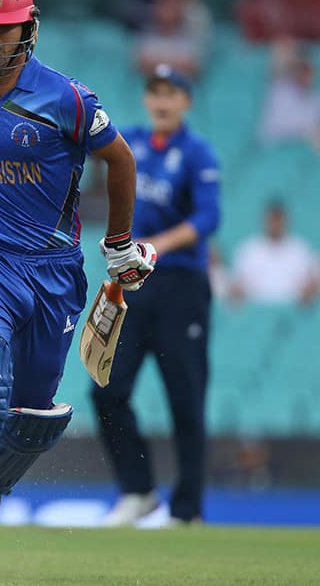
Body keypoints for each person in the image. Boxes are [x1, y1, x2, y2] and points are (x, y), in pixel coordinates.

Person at [0, 0, 156, 574]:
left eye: (4, 28)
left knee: (33, 411)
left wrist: (120, 245)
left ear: (27, 30)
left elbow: (120, 159)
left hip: (52, 269)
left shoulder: (68, 98)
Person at [91, 64, 221, 528]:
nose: (162, 101)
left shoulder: (198, 153)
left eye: (171, 94)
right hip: (134, 283)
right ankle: (138, 490)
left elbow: (208, 221)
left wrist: (153, 247)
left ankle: (187, 511)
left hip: (182, 285)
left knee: (185, 399)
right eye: (155, 93)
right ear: (147, 99)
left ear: (186, 101)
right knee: (105, 389)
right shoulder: (133, 145)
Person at [229, 200, 320, 306]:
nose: (276, 224)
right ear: (265, 220)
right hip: (255, 316)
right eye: (273, 219)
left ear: (286, 220)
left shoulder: (301, 250)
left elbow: (313, 284)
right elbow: (235, 287)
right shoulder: (248, 250)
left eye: (279, 219)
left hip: (294, 316)